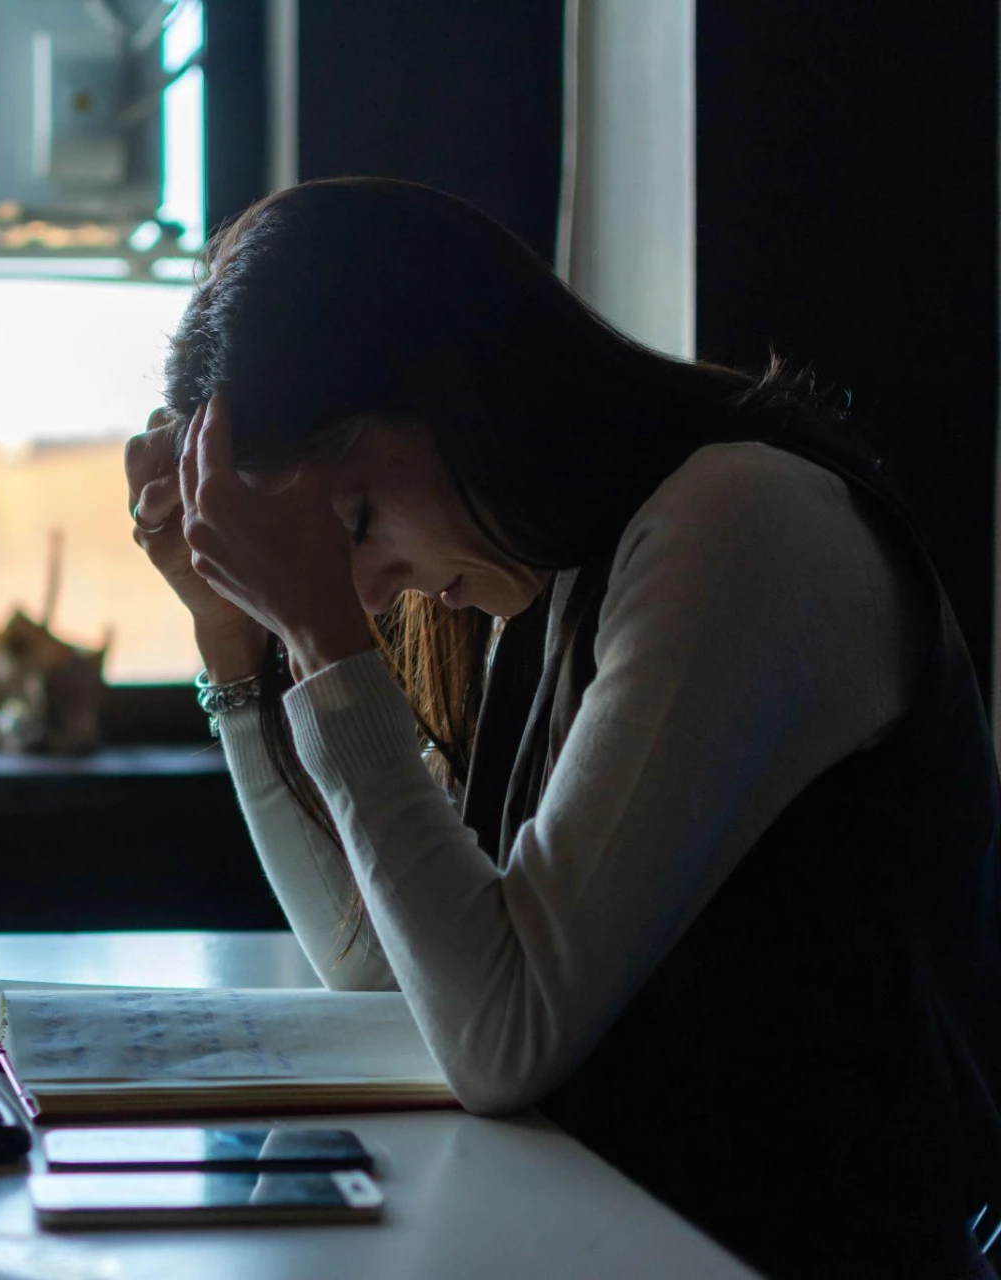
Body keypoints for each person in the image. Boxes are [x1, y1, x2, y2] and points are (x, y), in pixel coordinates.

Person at [124, 177, 1001, 1280]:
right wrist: (232, 643)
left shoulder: (739, 524)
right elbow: (380, 961)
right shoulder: (549, 581)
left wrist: (318, 628)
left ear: (455, 387)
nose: (377, 584)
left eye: (356, 519)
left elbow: (504, 1034)